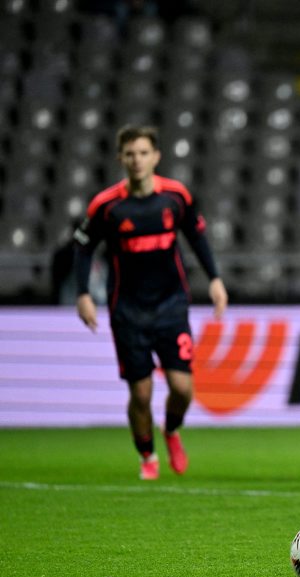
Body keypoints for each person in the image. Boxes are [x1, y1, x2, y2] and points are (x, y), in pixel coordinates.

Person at [73, 124, 228, 480]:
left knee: (182, 389)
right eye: (130, 154)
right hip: (127, 310)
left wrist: (215, 279)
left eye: (143, 153)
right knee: (141, 393)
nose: (137, 160)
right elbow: (83, 246)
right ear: (120, 159)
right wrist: (83, 294)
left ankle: (170, 429)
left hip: (171, 304)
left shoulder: (175, 196)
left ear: (156, 156)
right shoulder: (107, 205)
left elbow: (197, 236)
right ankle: (147, 456)